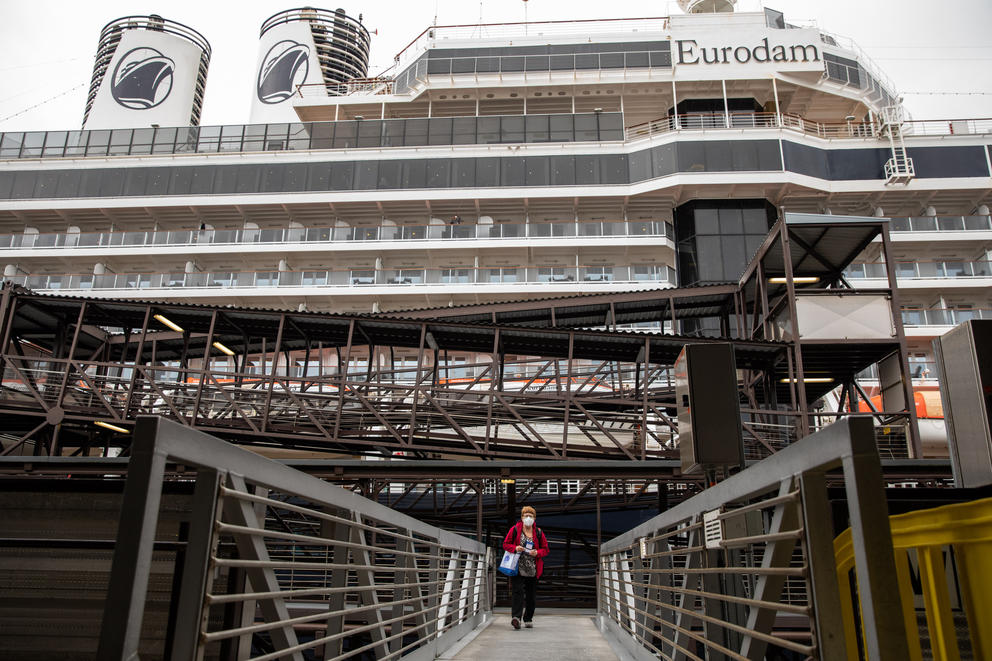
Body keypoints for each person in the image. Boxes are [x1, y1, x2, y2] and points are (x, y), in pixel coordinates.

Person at [501, 506, 549, 629]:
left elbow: (546, 549)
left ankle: (528, 618)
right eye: (526, 515)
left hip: (533, 568)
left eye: (530, 515)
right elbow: (505, 544)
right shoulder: (515, 530)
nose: (528, 518)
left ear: (534, 518)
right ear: (522, 517)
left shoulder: (538, 532)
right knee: (517, 592)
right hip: (517, 567)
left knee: (531, 595)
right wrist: (515, 548)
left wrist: (537, 552)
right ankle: (516, 618)